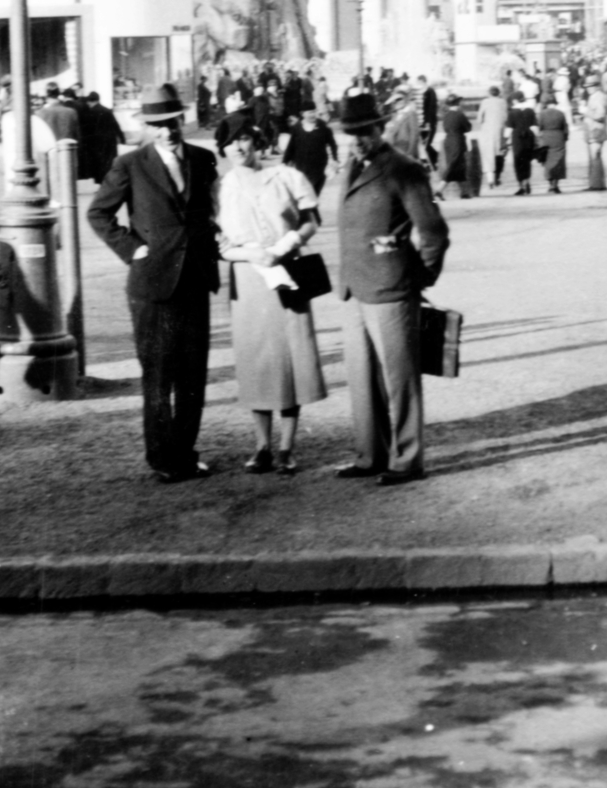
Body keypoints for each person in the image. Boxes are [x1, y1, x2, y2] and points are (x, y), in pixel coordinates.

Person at [88, 82, 221, 483]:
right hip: (153, 286)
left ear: (182, 119)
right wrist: (132, 250)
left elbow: (211, 211)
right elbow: (98, 214)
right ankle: (162, 458)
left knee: (193, 375)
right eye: (158, 125)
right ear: (146, 126)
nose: (167, 131)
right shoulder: (129, 164)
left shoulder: (203, 158)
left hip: (196, 278)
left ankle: (185, 451)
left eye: (172, 122)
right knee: (159, 374)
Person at [335, 91, 450, 486]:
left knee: (400, 380)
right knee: (362, 380)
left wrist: (420, 278)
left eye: (363, 132)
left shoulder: (403, 168)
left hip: (392, 291)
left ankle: (407, 459)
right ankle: (370, 455)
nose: (356, 140)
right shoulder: (350, 166)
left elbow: (433, 232)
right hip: (354, 290)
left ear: (380, 128)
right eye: (350, 134)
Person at [219, 124, 327, 474]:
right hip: (249, 279)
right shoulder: (225, 186)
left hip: (287, 272)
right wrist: (249, 256)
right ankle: (262, 445)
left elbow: (312, 221)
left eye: (243, 138)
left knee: (289, 357)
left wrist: (282, 247)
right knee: (256, 360)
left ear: (257, 142)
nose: (237, 147)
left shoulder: (286, 176)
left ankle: (286, 447)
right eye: (229, 142)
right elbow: (221, 244)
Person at [282, 104, 339, 195]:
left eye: (314, 111)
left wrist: (335, 159)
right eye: (309, 112)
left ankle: (312, 207)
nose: (313, 115)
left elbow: (333, 144)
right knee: (307, 193)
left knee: (314, 192)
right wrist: (284, 162)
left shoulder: (323, 126)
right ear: (302, 114)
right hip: (301, 166)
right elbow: (291, 146)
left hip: (319, 167)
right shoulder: (297, 128)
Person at [437, 93, 472, 199]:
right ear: (457, 103)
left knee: (459, 166)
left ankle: (464, 192)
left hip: (448, 141)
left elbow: (445, 128)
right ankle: (439, 189)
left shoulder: (446, 115)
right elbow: (468, 128)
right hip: (457, 141)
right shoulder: (460, 115)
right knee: (454, 165)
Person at [84, 92, 125, 182]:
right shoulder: (107, 110)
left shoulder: (90, 112)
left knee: (99, 162)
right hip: (109, 140)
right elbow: (116, 125)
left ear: (89, 101)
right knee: (109, 161)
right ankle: (110, 179)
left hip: (96, 141)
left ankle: (101, 181)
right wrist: (122, 138)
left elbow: (88, 129)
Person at [474, 85, 508, 189]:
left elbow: (479, 119)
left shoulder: (485, 102)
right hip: (500, 130)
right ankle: (497, 176)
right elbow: (506, 117)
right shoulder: (503, 102)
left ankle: (490, 180)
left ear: (489, 93)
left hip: (487, 131)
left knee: (488, 154)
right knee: (500, 153)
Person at [536, 95, 569, 194]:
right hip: (558, 137)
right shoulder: (561, 113)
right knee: (558, 161)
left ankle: (550, 185)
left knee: (547, 161)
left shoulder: (542, 114)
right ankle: (556, 185)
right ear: (555, 103)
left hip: (546, 137)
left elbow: (539, 127)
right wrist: (565, 138)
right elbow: (565, 128)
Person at [506, 91, 537, 195]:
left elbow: (508, 129)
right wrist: (536, 140)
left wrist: (505, 141)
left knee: (518, 161)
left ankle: (521, 185)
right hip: (529, 137)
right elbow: (534, 127)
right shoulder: (530, 111)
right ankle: (527, 181)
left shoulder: (512, 112)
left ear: (515, 100)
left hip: (517, 138)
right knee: (527, 160)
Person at [582, 76, 607, 191]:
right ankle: (597, 183)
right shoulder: (595, 96)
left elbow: (600, 115)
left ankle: (597, 185)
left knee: (595, 158)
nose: (588, 89)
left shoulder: (598, 97)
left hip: (596, 131)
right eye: (587, 87)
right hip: (594, 131)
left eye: (591, 86)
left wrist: (585, 112)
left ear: (597, 86)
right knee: (595, 158)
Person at [39, 81, 79, 145]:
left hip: (49, 152)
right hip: (68, 152)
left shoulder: (40, 114)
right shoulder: (71, 112)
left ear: (46, 95)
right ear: (59, 94)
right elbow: (77, 137)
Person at [416, 75, 439, 168]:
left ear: (423, 81)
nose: (418, 84)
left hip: (429, 122)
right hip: (425, 122)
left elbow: (431, 108)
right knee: (425, 144)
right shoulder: (425, 92)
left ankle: (435, 160)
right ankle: (435, 160)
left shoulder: (430, 92)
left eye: (419, 82)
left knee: (426, 144)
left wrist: (428, 122)